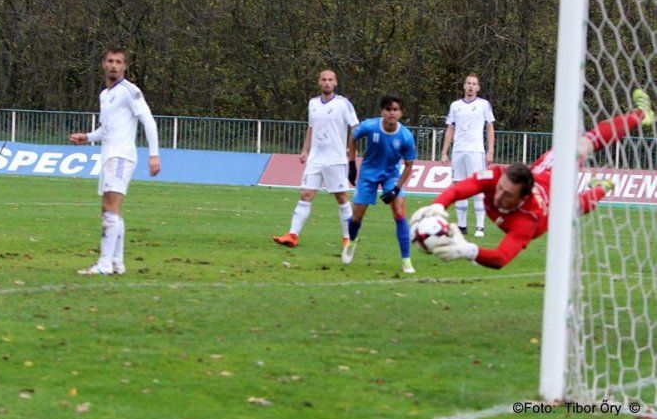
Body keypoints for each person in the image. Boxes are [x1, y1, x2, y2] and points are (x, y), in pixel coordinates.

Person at [412, 89, 654, 269]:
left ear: (522, 197)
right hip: (542, 171)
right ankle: (607, 176)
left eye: (507, 195)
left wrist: (467, 250)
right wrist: (437, 205)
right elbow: (459, 189)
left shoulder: (527, 220)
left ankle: (640, 118)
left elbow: (500, 258)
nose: (498, 195)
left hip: (553, 203)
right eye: (500, 189)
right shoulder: (496, 177)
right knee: (579, 157)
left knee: (581, 193)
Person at [70, 49, 161, 275]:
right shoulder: (105, 95)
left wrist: (154, 154)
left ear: (125, 66)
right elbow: (107, 129)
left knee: (109, 208)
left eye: (118, 62)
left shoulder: (130, 91)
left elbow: (147, 120)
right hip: (108, 157)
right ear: (103, 64)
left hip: (121, 156)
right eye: (110, 61)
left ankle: (103, 264)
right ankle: (117, 263)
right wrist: (88, 137)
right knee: (113, 210)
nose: (113, 65)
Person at [273, 70, 359, 248]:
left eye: (330, 80)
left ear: (335, 83)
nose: (327, 83)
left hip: (335, 159)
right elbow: (311, 127)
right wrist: (305, 150)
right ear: (319, 82)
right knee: (305, 194)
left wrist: (352, 152)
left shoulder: (343, 104)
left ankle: (348, 238)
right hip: (315, 159)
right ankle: (292, 235)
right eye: (324, 80)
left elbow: (355, 129)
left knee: (341, 197)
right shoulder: (312, 103)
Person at [342, 95, 417, 274]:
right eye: (388, 109)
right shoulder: (369, 125)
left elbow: (408, 166)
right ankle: (351, 241)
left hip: (391, 175)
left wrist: (397, 189)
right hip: (368, 174)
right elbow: (353, 137)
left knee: (399, 212)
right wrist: (351, 164)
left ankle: (406, 260)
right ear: (382, 111)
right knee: (356, 217)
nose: (392, 113)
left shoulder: (406, 136)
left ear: (400, 113)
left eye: (395, 110)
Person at [440, 73, 495, 238]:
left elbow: (490, 127)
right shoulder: (455, 105)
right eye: (468, 83)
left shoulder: (484, 105)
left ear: (478, 87)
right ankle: (462, 225)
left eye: (474, 84)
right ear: (464, 86)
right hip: (458, 151)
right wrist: (444, 152)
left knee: (478, 187)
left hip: (476, 151)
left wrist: (490, 150)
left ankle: (479, 227)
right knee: (459, 187)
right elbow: (450, 128)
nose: (471, 86)